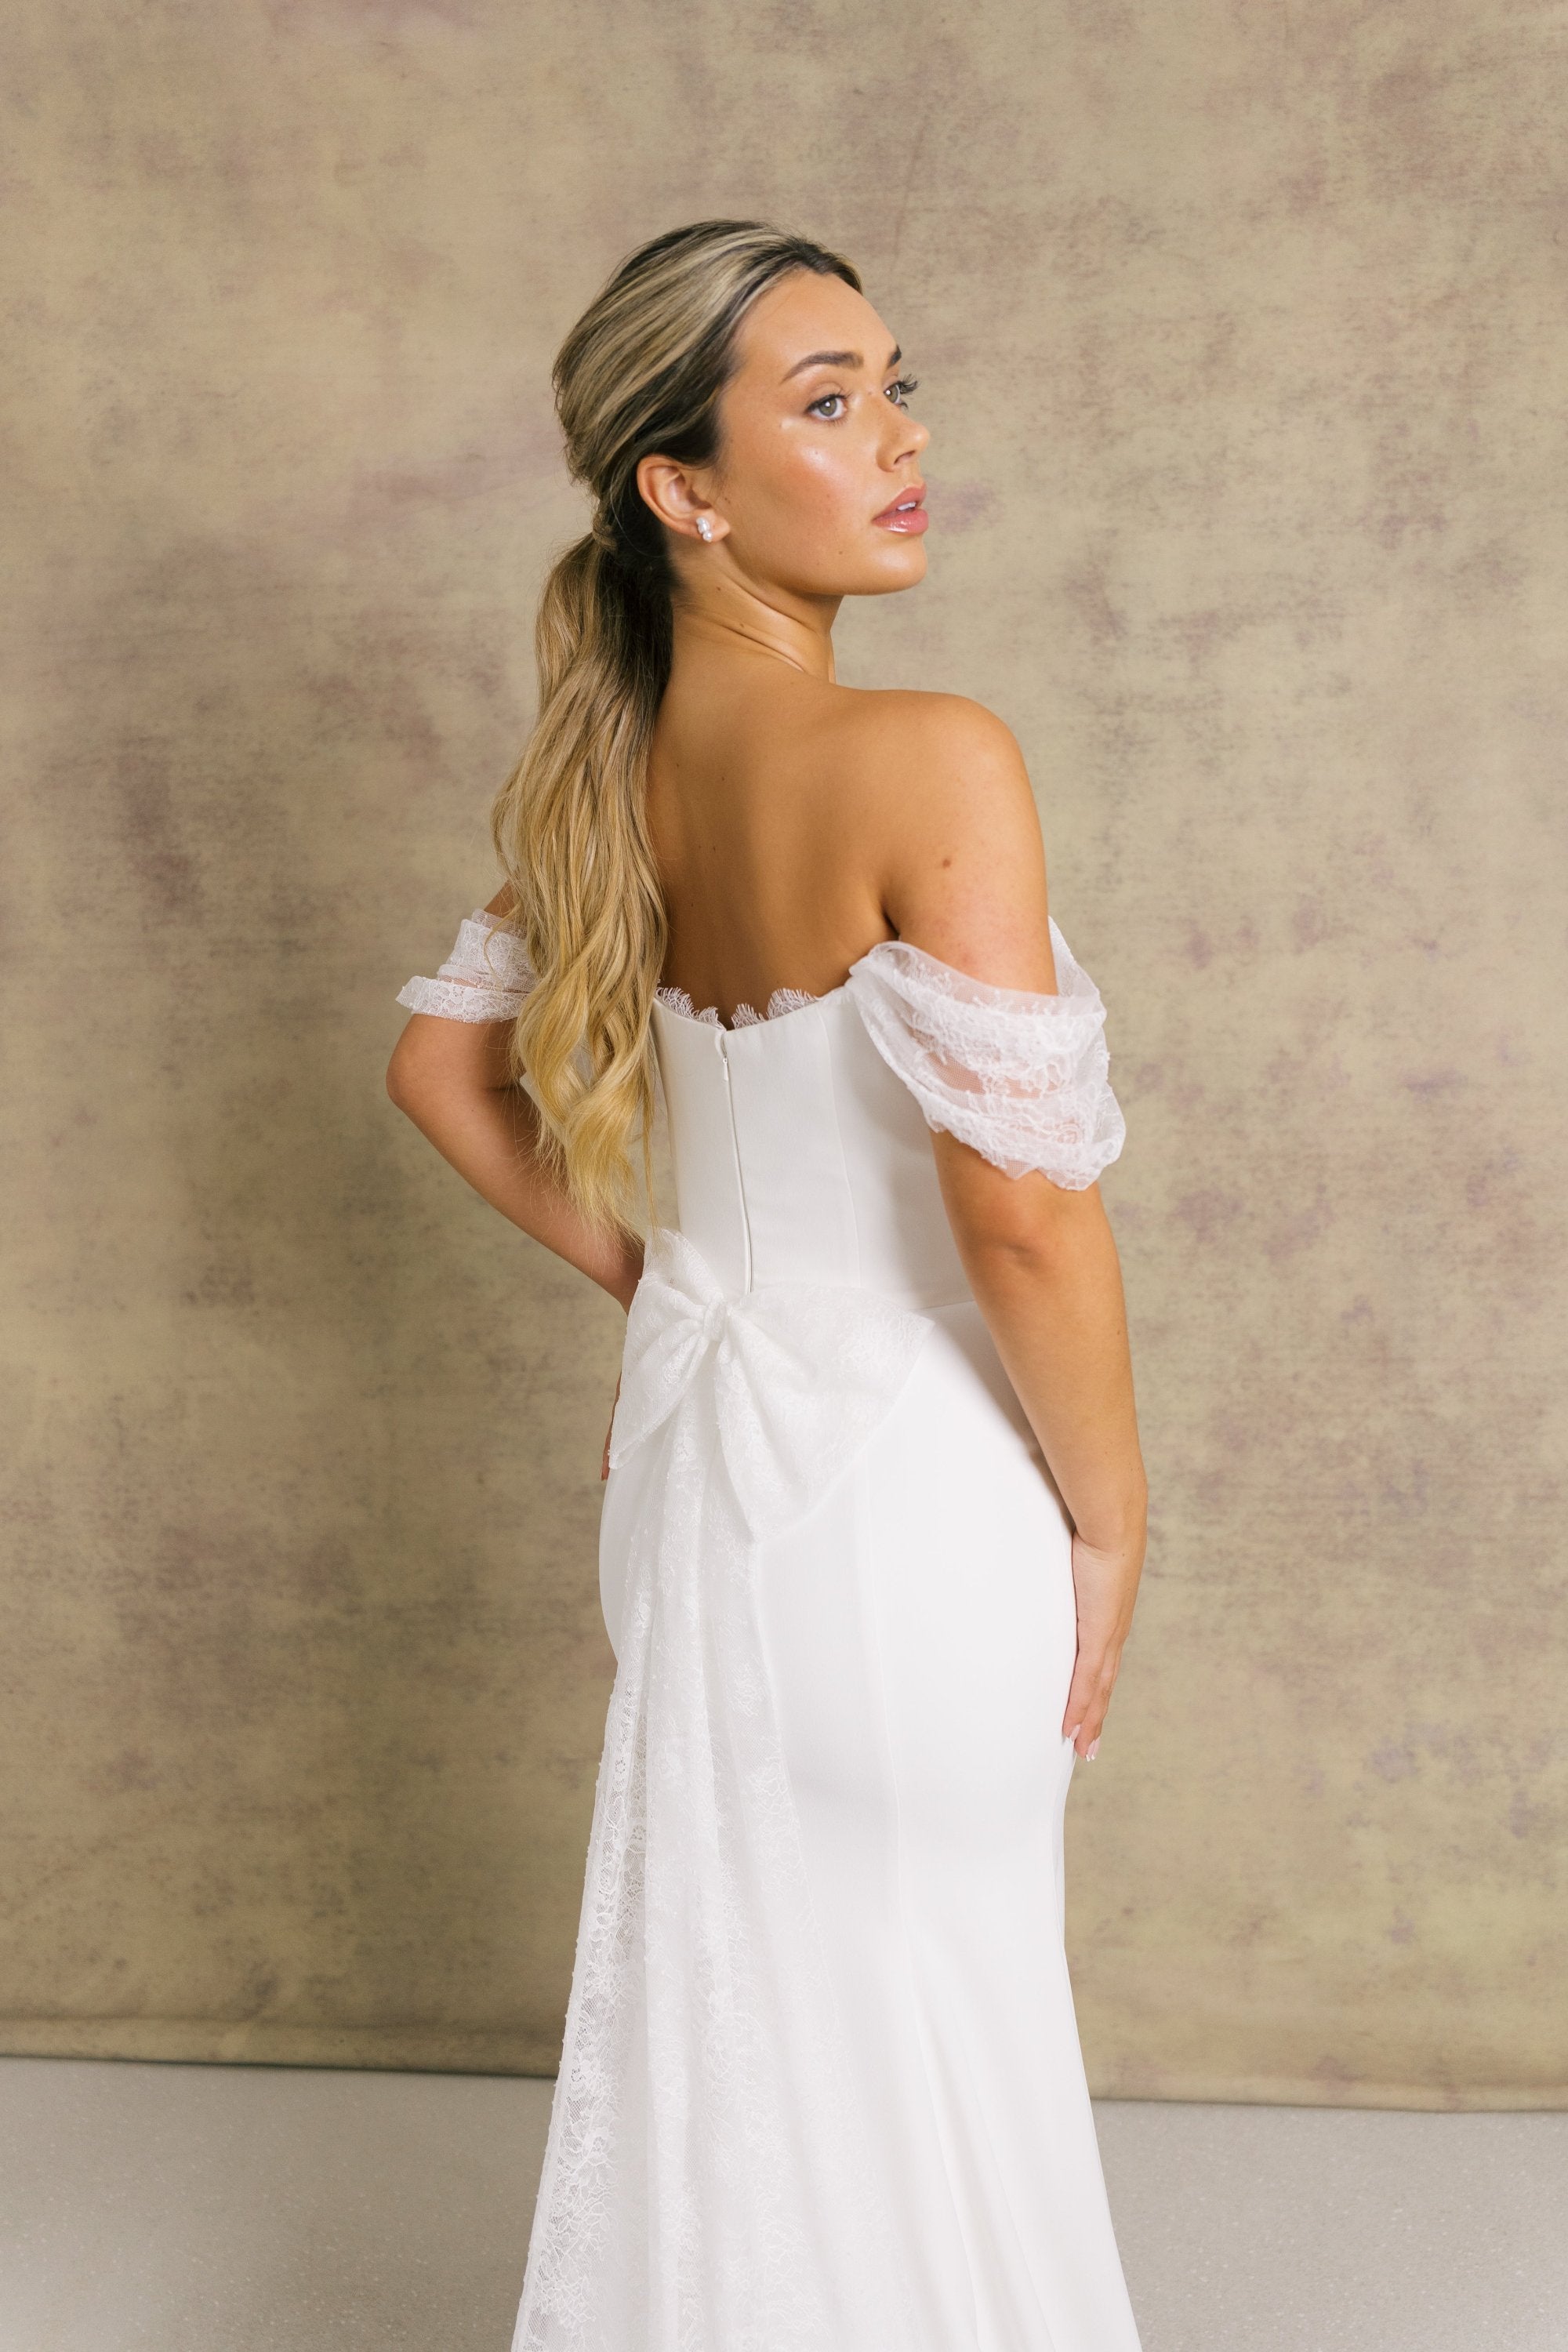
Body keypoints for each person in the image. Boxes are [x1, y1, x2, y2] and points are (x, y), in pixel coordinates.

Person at [387, 220, 1148, 2352]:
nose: (899, 439)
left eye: (898, 383)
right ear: (683, 489)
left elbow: (438, 1068)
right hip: (911, 1499)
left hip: (707, 1478)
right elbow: (1022, 1215)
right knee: (944, 2032)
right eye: (827, 403)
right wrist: (1111, 1517)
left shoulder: (599, 777)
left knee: (766, 2037)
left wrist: (680, 1281)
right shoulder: (933, 760)